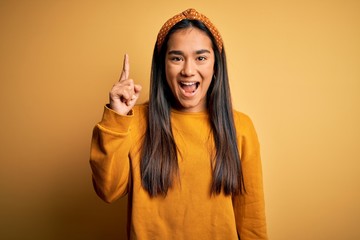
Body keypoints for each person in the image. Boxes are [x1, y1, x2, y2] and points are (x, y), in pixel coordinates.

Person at [90, 8, 268, 240]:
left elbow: (251, 218)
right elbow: (108, 190)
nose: (188, 70)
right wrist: (116, 117)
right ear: (162, 65)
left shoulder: (240, 127)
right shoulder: (134, 122)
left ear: (216, 66)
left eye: (201, 58)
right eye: (176, 58)